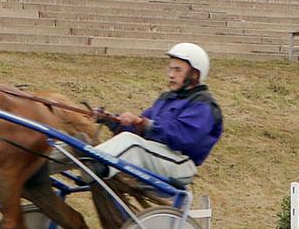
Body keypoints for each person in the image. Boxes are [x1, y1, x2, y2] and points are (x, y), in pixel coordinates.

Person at [90, 44, 223, 184]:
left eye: (178, 70)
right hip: (157, 156)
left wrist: (144, 123)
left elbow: (183, 137)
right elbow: (140, 131)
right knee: (131, 140)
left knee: (132, 144)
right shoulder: (167, 98)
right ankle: (84, 158)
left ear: (195, 74)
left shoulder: (203, 104)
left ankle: (94, 164)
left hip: (180, 164)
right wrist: (110, 119)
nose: (171, 75)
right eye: (170, 69)